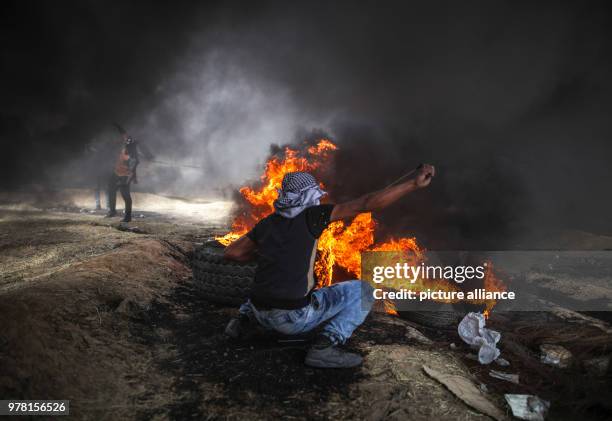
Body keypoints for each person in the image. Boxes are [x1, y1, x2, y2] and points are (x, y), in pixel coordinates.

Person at [223, 164, 435, 368]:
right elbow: (366, 203)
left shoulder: (267, 223)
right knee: (364, 290)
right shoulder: (312, 217)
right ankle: (325, 347)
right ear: (307, 196)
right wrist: (413, 185)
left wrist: (267, 258)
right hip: (291, 320)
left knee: (268, 280)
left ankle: (242, 321)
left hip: (258, 310)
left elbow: (231, 252)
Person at [106, 134, 139, 223]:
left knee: (126, 196)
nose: (125, 145)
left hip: (125, 176)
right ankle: (112, 211)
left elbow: (132, 170)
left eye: (127, 143)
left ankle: (128, 216)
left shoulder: (133, 156)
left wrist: (127, 181)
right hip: (116, 173)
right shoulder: (124, 149)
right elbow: (124, 135)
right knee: (110, 190)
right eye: (125, 143)